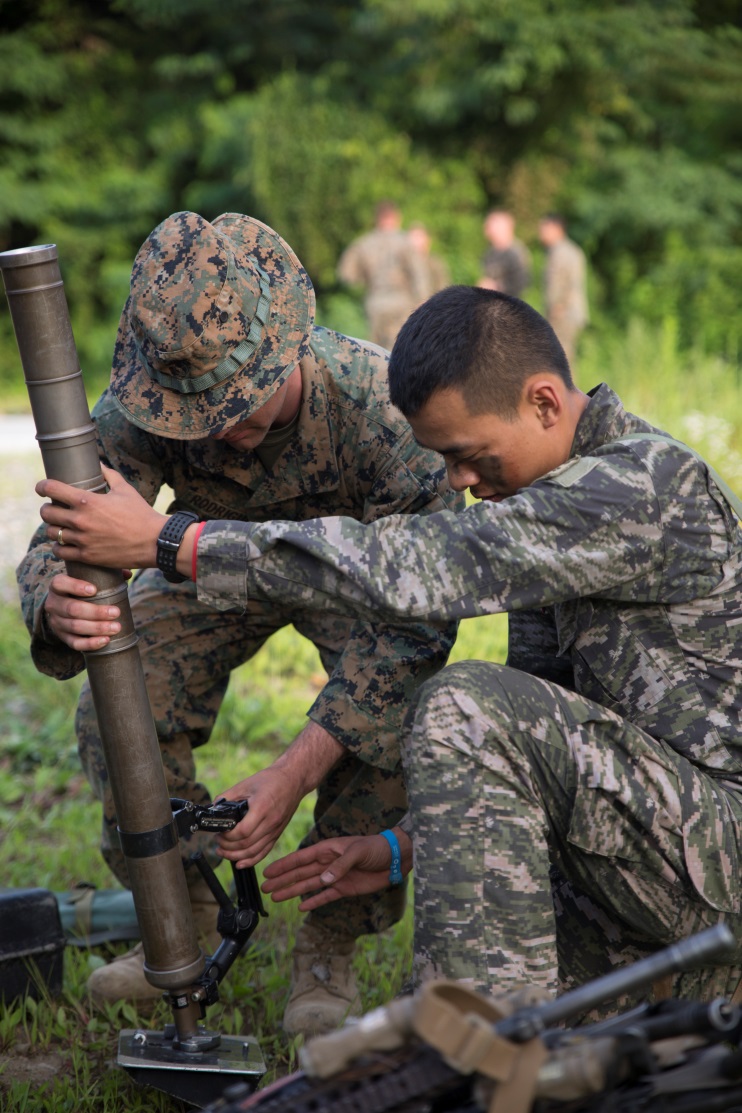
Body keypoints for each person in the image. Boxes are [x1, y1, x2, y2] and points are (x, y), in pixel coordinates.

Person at [35, 286, 742, 1011]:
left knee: (464, 704)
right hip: (652, 864)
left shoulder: (643, 486)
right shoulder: (550, 500)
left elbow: (424, 565)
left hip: (715, 866)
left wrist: (171, 541)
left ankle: (472, 1043)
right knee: (551, 1047)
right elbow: (548, 752)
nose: (462, 483)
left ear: (544, 404)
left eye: (470, 456)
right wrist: (400, 846)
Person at [16, 210, 463, 1033]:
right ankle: (179, 917)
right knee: (124, 691)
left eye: (239, 399)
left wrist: (292, 772)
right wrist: (57, 597)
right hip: (203, 565)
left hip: (357, 585)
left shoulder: (384, 409)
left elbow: (414, 626)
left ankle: (327, 944)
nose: (220, 427)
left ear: (289, 342)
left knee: (398, 716)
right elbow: (62, 532)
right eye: (198, 409)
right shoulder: (145, 405)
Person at [337, 201, 430, 349]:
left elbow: (346, 275)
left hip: (376, 303)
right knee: (402, 350)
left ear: (377, 219)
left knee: (376, 354)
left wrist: (364, 281)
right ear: (396, 217)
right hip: (402, 303)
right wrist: (423, 299)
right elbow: (419, 274)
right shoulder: (405, 242)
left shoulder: (363, 243)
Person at [538, 214, 589, 367]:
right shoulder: (565, 250)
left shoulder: (561, 252)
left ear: (556, 228)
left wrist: (558, 307)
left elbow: (567, 284)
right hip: (567, 313)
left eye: (544, 228)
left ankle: (567, 392)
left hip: (564, 314)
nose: (540, 232)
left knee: (560, 363)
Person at [477, 210, 530, 298]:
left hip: (511, 306)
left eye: (490, 227)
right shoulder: (491, 252)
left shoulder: (517, 252)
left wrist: (497, 287)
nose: (486, 231)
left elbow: (522, 284)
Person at [407, 223, 449, 299]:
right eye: (413, 237)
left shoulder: (435, 263)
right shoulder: (404, 265)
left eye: (419, 237)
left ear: (427, 240)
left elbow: (443, 289)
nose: (415, 242)